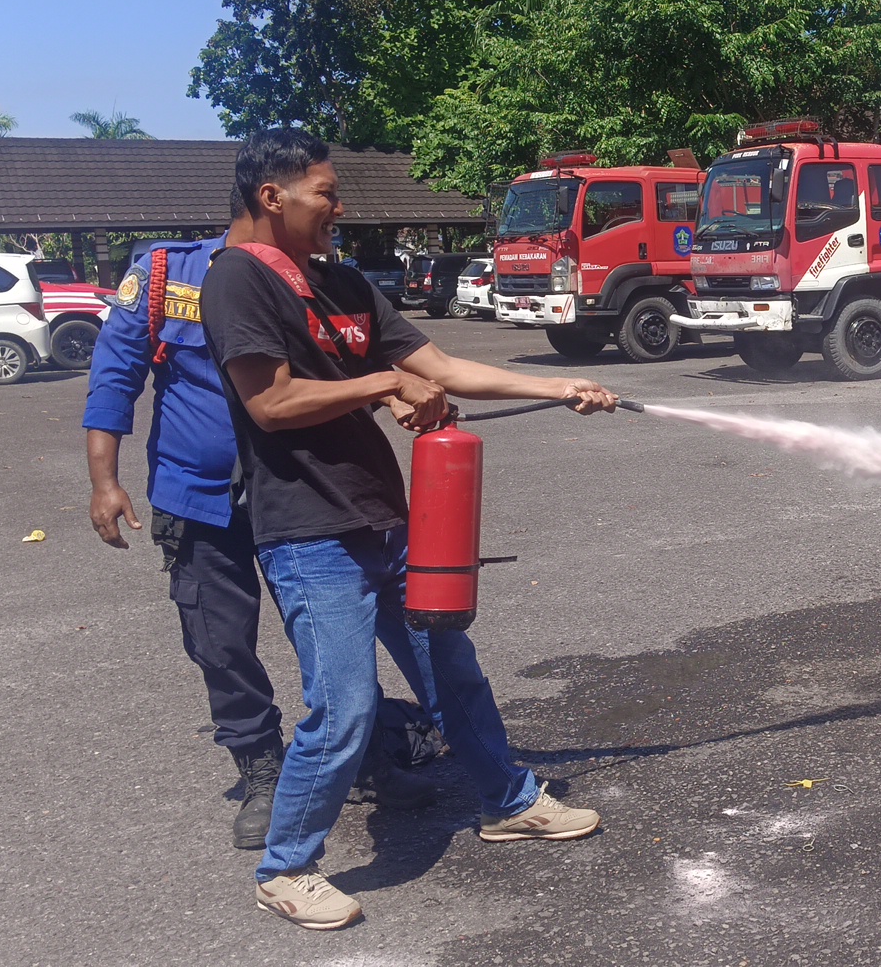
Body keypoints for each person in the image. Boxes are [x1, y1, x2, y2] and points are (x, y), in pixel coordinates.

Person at [202, 129, 619, 931]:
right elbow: (271, 403)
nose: (338, 206)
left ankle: (509, 801)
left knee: (449, 670)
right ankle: (285, 867)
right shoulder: (238, 282)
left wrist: (561, 384)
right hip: (309, 531)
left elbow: (445, 368)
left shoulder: (343, 282)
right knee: (346, 704)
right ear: (271, 197)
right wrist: (385, 382)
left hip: (386, 520)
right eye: (324, 192)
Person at [83, 190, 432, 852]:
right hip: (199, 501)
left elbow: (346, 375)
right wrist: (104, 480)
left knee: (335, 632)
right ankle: (263, 771)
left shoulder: (317, 284)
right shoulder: (167, 274)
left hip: (304, 493)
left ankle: (365, 756)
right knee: (221, 642)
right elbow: (114, 376)